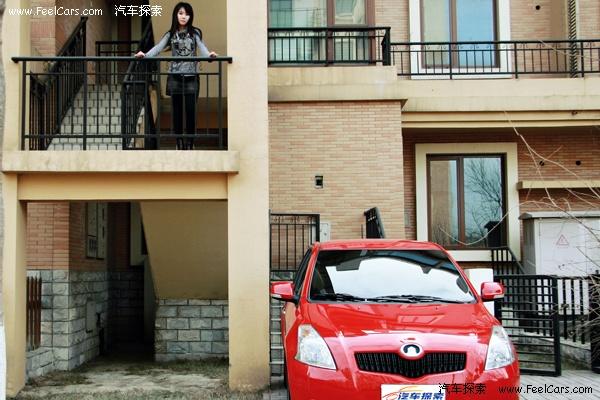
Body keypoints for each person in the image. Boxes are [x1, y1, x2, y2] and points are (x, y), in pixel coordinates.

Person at [135, 2, 217, 150]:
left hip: (191, 77)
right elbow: (158, 48)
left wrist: (209, 55)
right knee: (177, 113)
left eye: (187, 14)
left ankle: (190, 143)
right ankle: (179, 142)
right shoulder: (170, 34)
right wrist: (145, 55)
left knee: (191, 113)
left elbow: (202, 47)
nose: (184, 17)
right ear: (176, 15)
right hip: (175, 78)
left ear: (190, 17)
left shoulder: (195, 33)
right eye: (181, 13)